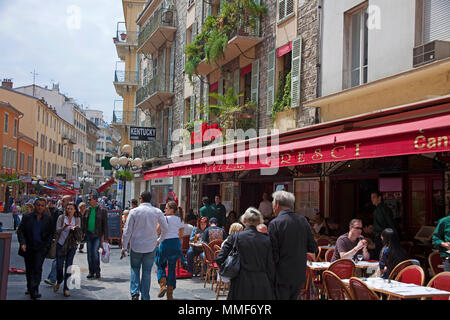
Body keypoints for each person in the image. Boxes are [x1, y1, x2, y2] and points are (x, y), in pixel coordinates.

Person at [216, 207, 274, 300]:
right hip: (261, 283)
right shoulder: (267, 240)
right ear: (259, 222)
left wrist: (230, 271)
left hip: (240, 282)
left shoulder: (235, 237)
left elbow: (219, 258)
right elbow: (271, 265)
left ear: (244, 220)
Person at [269, 190, 318, 300]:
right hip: (299, 274)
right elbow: (313, 247)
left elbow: (273, 253)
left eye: (273, 203)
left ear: (277, 204)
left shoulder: (275, 223)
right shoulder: (303, 221)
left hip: (281, 275)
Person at [121, 191, 168, 300]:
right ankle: (145, 296)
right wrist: (159, 240)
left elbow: (127, 231)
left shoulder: (134, 212)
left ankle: (135, 292)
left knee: (135, 268)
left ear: (140, 199)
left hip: (136, 245)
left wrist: (124, 247)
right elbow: (165, 229)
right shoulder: (157, 211)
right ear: (150, 199)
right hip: (150, 246)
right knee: (147, 272)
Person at [17, 198, 53, 300]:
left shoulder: (48, 219)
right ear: (35, 206)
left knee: (37, 268)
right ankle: (30, 286)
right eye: (38, 205)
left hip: (41, 248)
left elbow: (50, 234)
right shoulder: (27, 217)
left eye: (42, 205)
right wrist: (22, 243)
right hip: (28, 247)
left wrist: (47, 246)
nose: (40, 207)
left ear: (44, 206)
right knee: (29, 269)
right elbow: (21, 231)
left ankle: (35, 289)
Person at [155, 201, 185, 300]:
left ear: (172, 209)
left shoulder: (164, 218)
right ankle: (170, 294)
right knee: (172, 268)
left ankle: (163, 285)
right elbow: (181, 235)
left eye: (166, 208)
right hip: (175, 244)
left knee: (160, 264)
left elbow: (158, 231)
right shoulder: (180, 219)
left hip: (165, 243)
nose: (165, 210)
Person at [53, 202, 82, 297]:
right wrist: (64, 227)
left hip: (71, 245)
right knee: (59, 266)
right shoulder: (61, 218)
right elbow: (57, 230)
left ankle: (66, 288)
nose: (69, 210)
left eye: (71, 209)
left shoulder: (77, 219)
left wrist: (75, 229)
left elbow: (79, 232)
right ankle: (59, 280)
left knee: (69, 266)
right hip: (60, 244)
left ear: (74, 210)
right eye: (68, 209)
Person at [84, 194, 108, 279]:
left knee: (95, 252)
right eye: (88, 200)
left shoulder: (102, 211)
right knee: (89, 254)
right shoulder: (87, 210)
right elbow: (84, 223)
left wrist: (105, 238)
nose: (88, 201)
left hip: (97, 234)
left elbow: (105, 225)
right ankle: (91, 271)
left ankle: (97, 271)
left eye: (90, 200)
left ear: (95, 200)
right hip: (89, 234)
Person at [371, 191, 396, 257]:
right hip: (387, 236)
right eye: (371, 198)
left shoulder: (378, 210)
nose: (372, 199)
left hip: (381, 237)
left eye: (374, 197)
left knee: (381, 256)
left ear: (379, 198)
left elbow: (381, 225)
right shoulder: (386, 209)